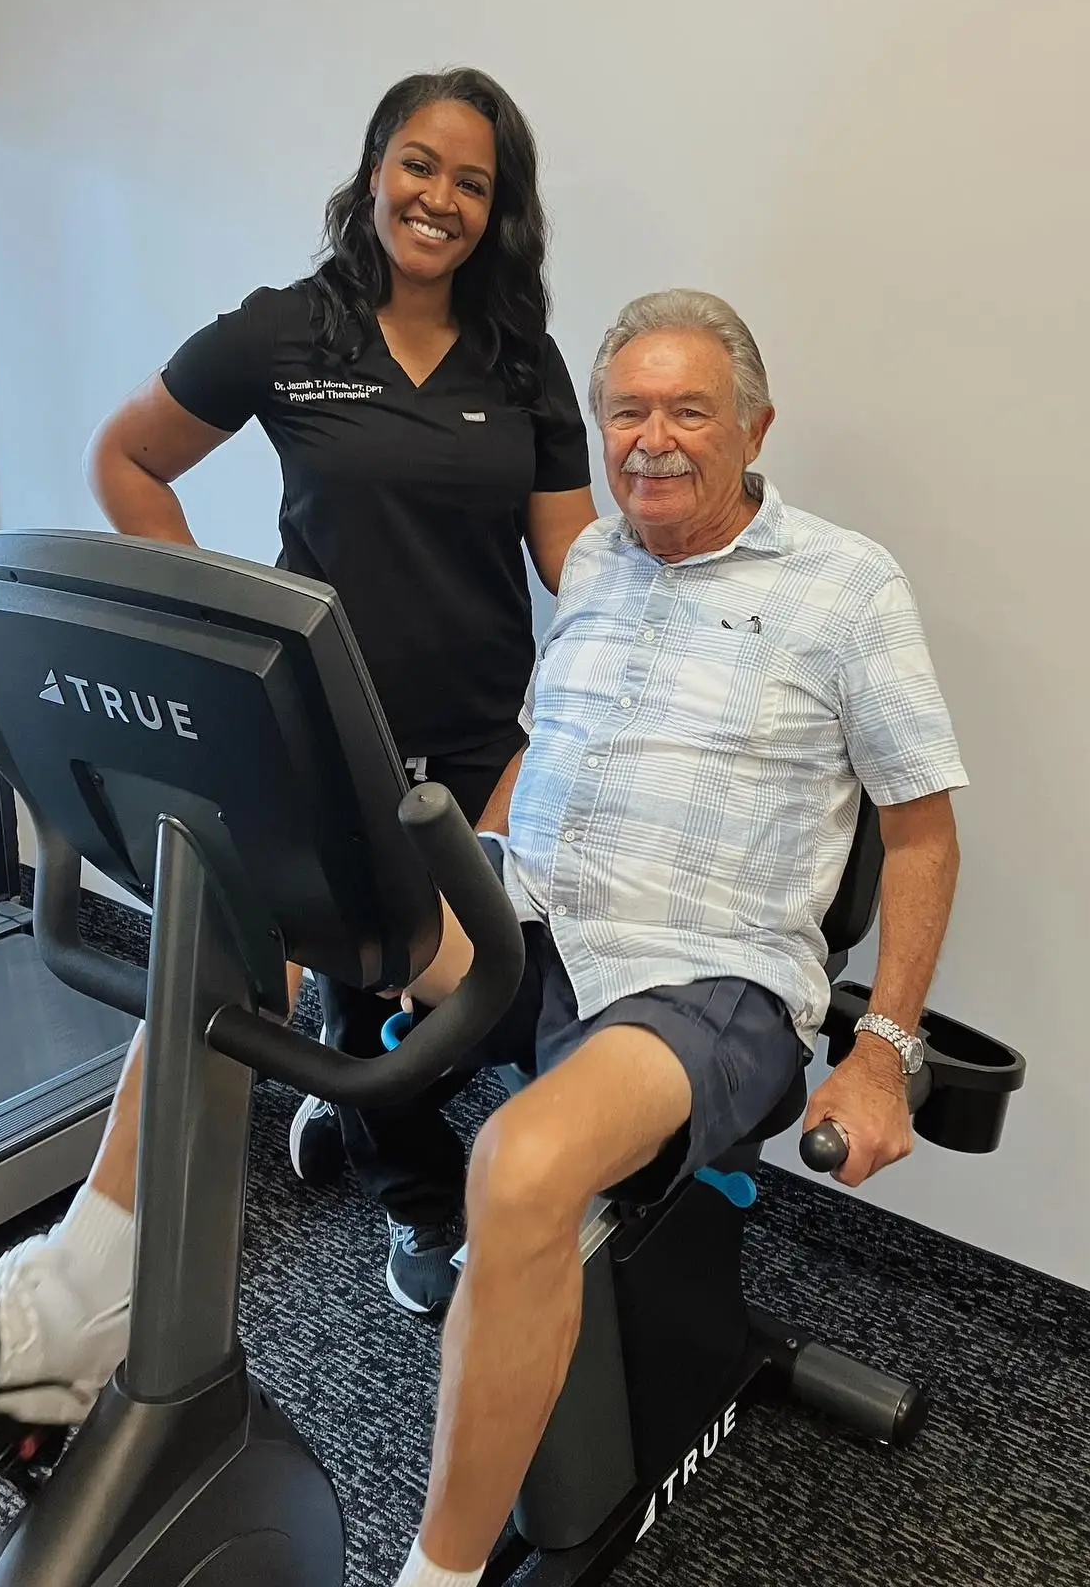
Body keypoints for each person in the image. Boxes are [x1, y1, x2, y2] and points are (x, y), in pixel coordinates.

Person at [0, 68, 596, 1435]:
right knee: (245, 951)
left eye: (473, 184)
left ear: (501, 213)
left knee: (459, 991)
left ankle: (85, 1287)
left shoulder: (524, 362)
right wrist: (214, 635)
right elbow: (130, 457)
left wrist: (608, 673)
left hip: (488, 747)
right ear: (375, 166)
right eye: (419, 165)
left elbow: (573, 568)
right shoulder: (283, 330)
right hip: (325, 735)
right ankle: (380, 1211)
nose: (439, 200)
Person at [385, 288, 969, 1587]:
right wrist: (462, 878)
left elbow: (923, 839)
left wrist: (880, 1053)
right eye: (626, 410)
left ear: (754, 425)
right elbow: (542, 745)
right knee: (251, 917)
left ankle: (438, 1571)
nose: (650, 437)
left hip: (715, 978)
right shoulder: (593, 560)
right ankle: (72, 1300)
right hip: (539, 921)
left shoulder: (845, 586)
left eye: (687, 409)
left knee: (525, 1164)